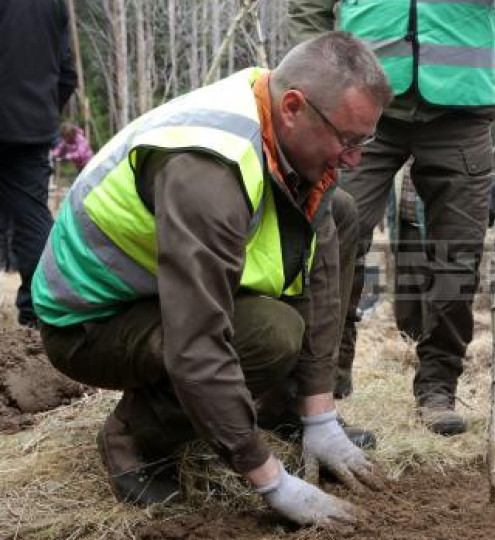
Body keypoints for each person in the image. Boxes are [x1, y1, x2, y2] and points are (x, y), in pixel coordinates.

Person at [33, 33, 393, 524]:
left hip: (161, 296)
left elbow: (322, 275)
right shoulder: (207, 170)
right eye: (348, 140)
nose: (354, 158)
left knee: (343, 215)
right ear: (292, 107)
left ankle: (281, 407)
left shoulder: (278, 117)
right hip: (90, 320)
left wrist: (319, 414)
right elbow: (198, 345)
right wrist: (269, 478)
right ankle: (133, 438)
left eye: (364, 141)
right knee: (270, 334)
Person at [289, 0, 495, 435]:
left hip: (461, 102)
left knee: (457, 254)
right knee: (331, 238)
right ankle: (325, 378)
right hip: (357, 98)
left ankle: (438, 386)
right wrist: (317, 71)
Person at [0, 0, 77, 328]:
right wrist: (43, 113)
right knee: (33, 220)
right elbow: (67, 74)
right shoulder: (54, 4)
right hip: (32, 128)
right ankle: (37, 315)